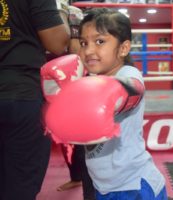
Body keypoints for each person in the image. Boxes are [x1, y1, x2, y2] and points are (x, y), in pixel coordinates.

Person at [78, 8, 167, 200]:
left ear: (124, 48)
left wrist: (85, 95)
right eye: (84, 43)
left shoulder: (127, 74)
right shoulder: (92, 80)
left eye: (99, 41)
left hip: (135, 185)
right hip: (104, 186)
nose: (88, 50)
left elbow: (131, 90)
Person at [0, 0, 69, 199]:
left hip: (19, 93)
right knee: (19, 187)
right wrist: (62, 11)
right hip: (20, 94)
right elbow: (57, 43)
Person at [53, 1, 96, 199]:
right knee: (63, 135)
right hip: (48, 78)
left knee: (81, 135)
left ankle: (86, 182)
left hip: (72, 77)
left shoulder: (73, 13)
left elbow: (76, 48)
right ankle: (76, 176)